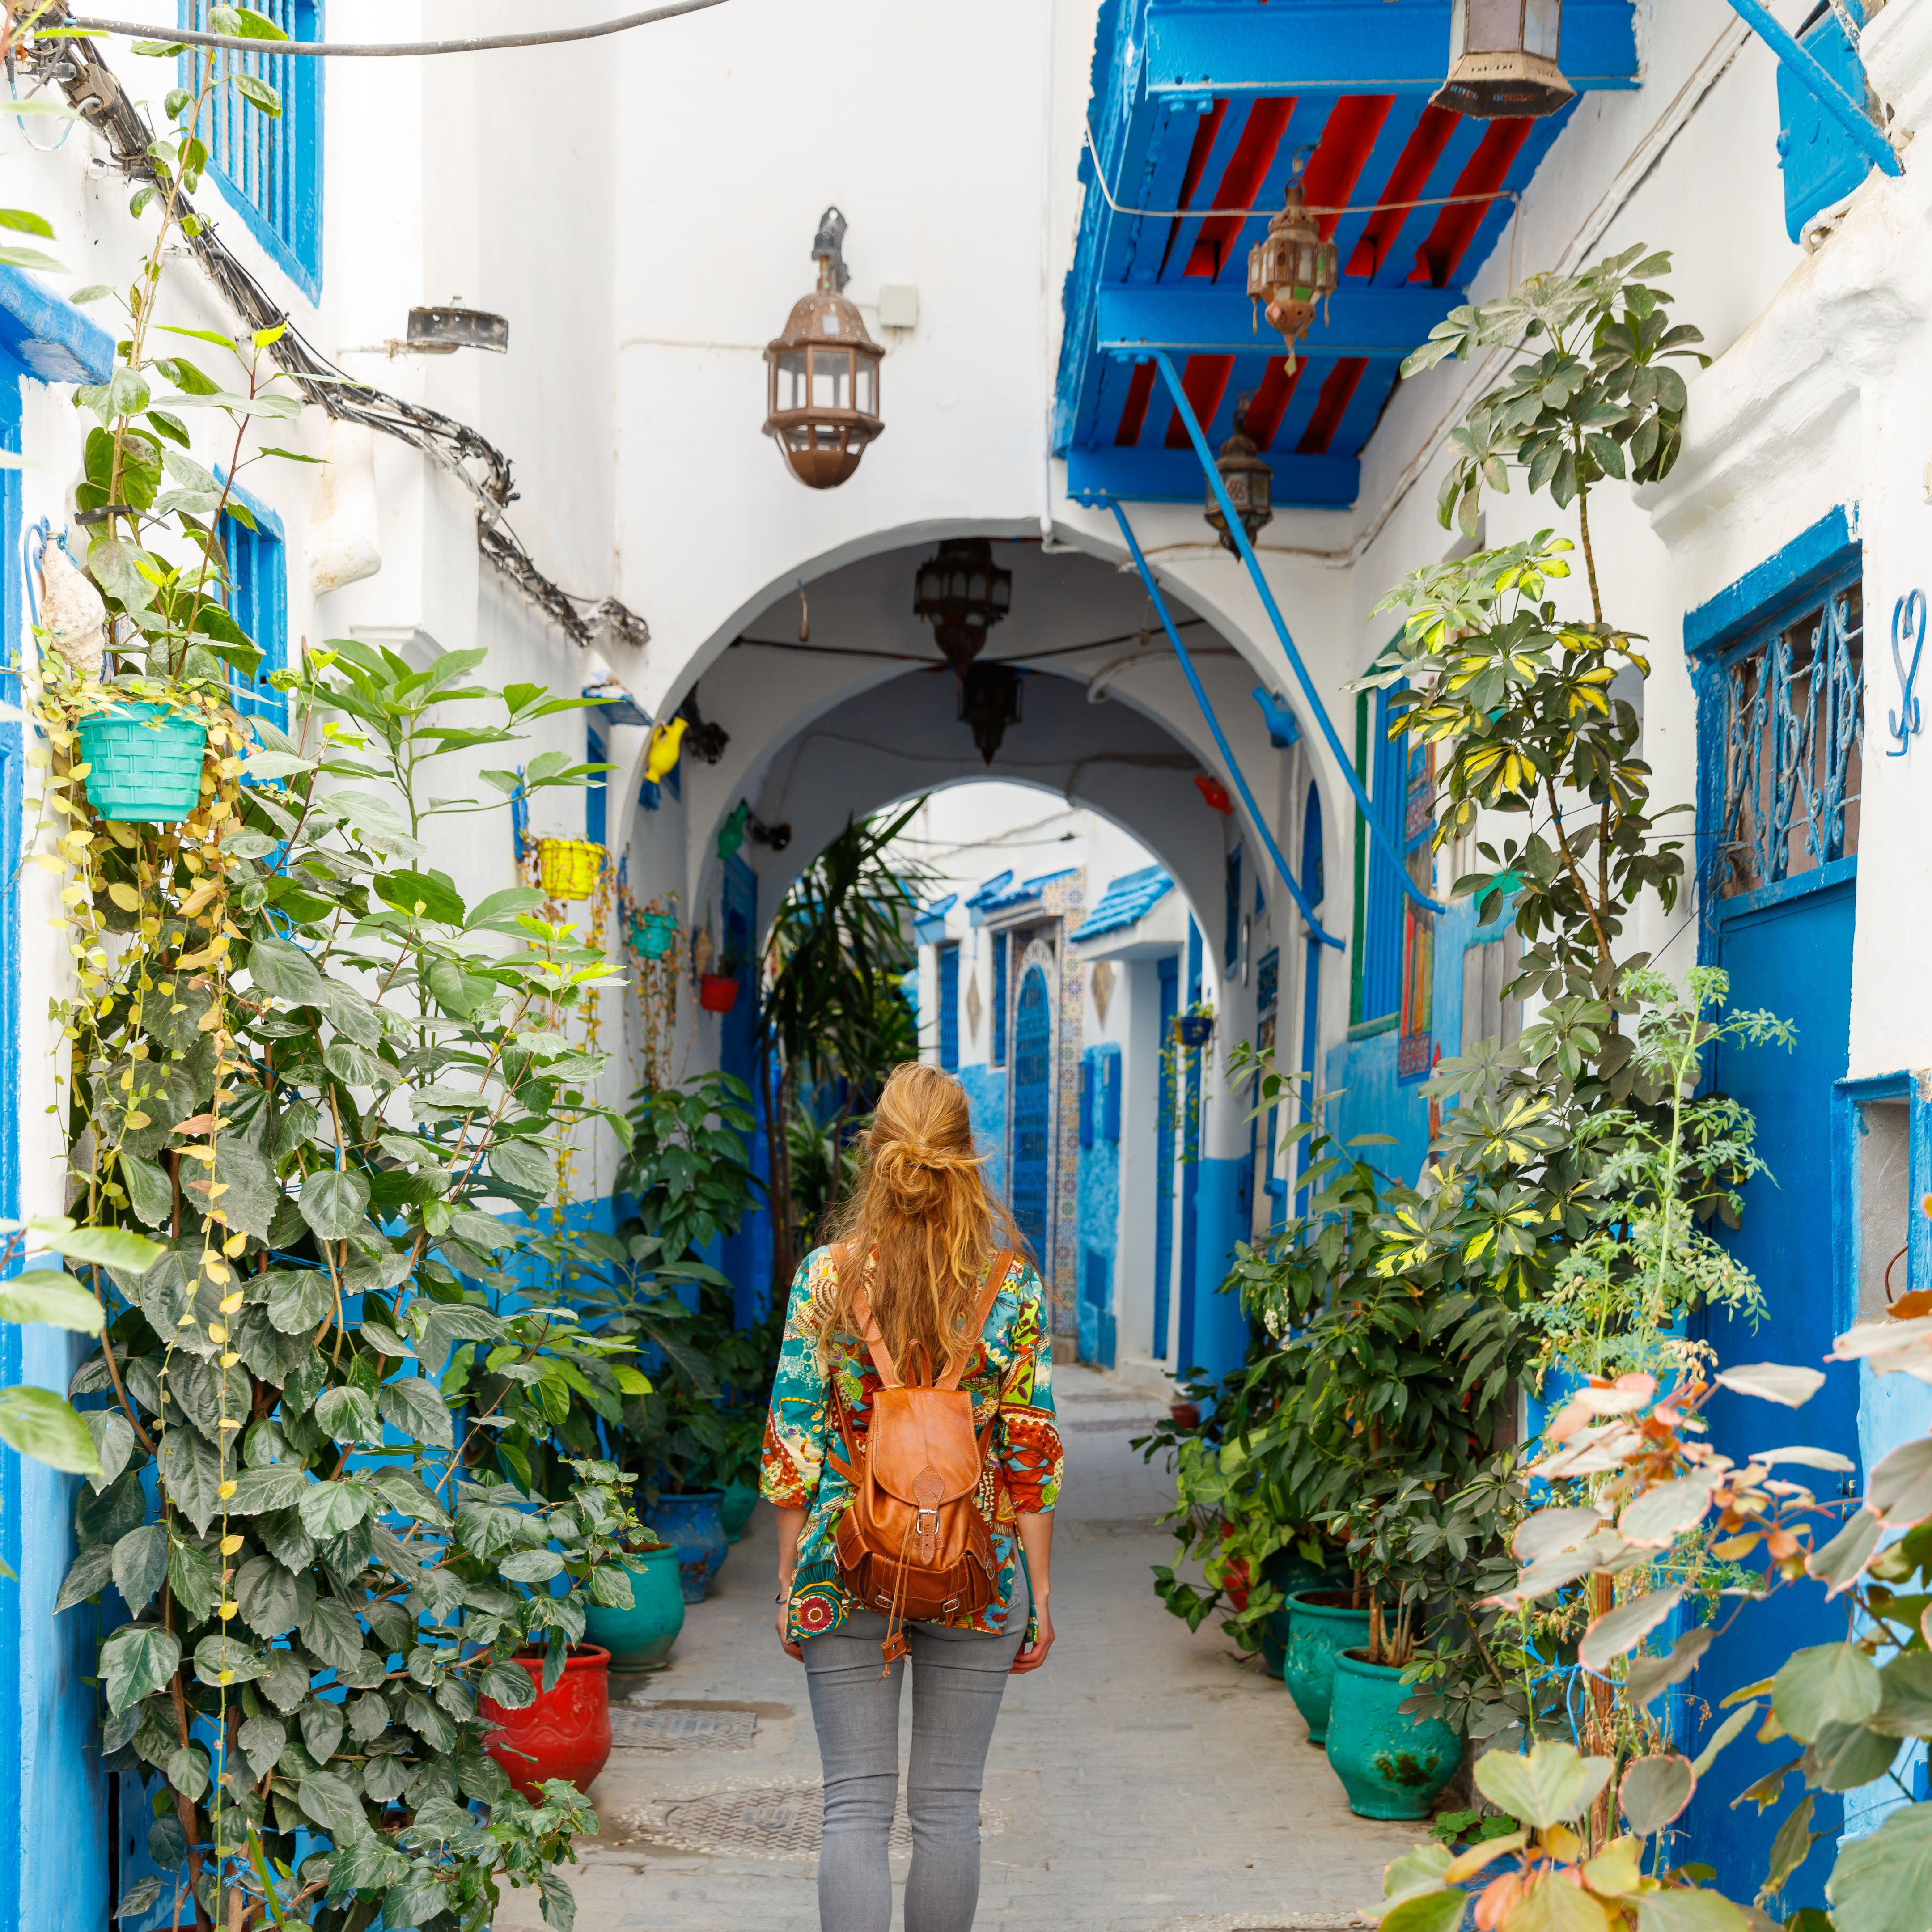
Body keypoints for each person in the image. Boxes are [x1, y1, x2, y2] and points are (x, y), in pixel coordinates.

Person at [760, 1061, 1064, 1932]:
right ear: (968, 1157)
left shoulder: (827, 1277)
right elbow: (1031, 1453)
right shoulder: (1013, 1288)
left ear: (877, 1154)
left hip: (844, 1567)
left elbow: (793, 1445)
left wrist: (789, 1581)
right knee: (948, 1809)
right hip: (980, 1570)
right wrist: (1039, 1594)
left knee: (853, 1806)